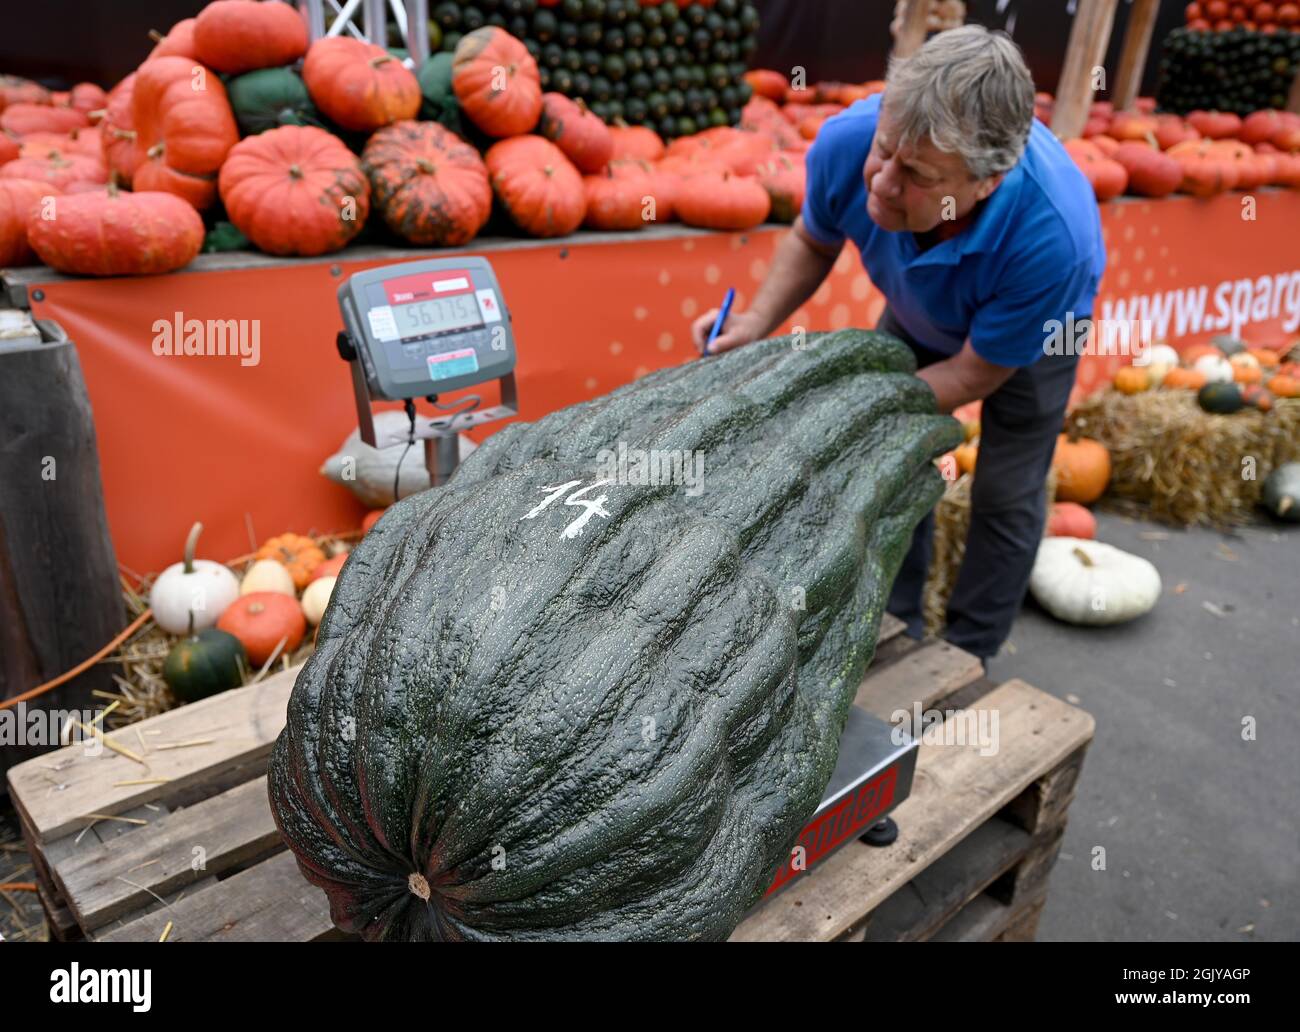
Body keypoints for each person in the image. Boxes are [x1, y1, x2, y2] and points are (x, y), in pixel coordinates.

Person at [689, 25, 1106, 662]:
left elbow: (972, 374)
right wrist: (756, 321)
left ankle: (968, 653)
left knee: (1006, 488)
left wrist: (848, 413)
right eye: (884, 150)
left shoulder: (1054, 240)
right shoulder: (847, 142)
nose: (881, 182)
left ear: (984, 183)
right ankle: (895, 624)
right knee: (891, 460)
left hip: (1036, 333)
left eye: (914, 174)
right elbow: (813, 239)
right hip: (921, 310)